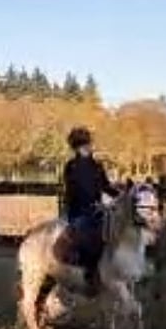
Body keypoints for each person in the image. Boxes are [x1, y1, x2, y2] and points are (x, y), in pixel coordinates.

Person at [62, 126, 120, 294]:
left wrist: (122, 194)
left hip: (97, 209)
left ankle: (116, 270)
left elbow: (106, 186)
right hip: (78, 210)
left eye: (88, 144)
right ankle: (89, 275)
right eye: (84, 144)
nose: (88, 147)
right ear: (78, 147)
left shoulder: (97, 166)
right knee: (86, 234)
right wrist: (88, 205)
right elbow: (73, 191)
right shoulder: (70, 166)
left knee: (115, 229)